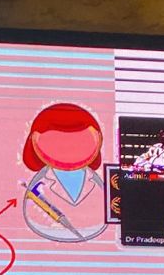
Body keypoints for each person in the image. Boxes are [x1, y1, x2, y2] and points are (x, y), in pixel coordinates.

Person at [19, 103, 106, 243]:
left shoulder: (97, 182)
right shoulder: (39, 185)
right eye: (54, 141)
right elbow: (35, 218)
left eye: (81, 141)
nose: (69, 149)